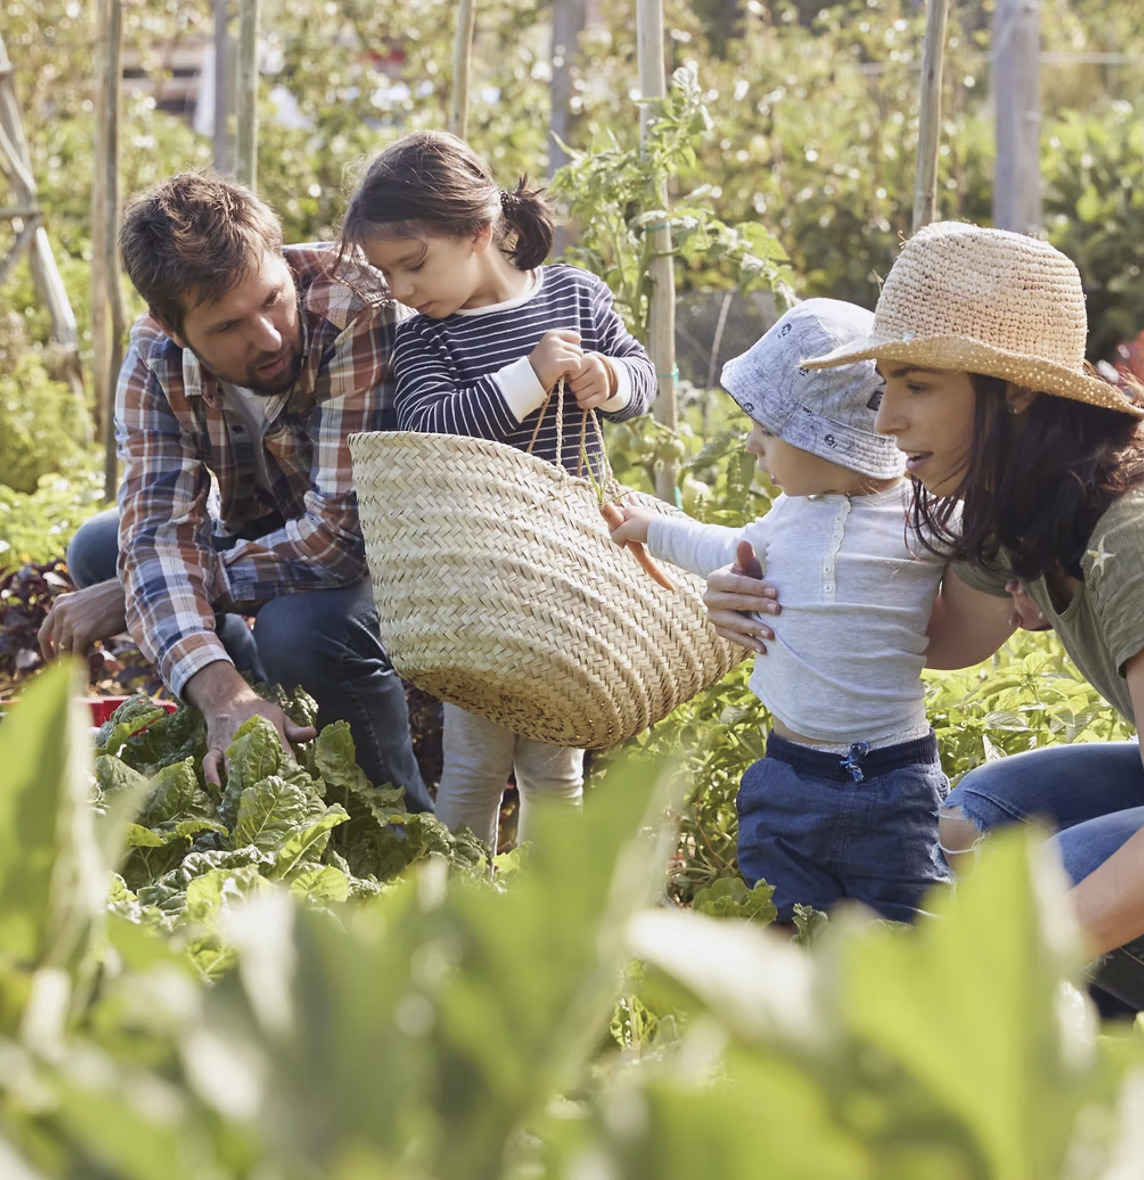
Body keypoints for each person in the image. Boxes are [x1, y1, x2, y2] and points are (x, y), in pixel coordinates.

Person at [716, 220, 1144, 1006]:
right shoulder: (1015, 513)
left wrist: (987, 972)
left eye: (917, 386)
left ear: (1016, 390)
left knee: (1035, 901)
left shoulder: (1130, 540)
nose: (884, 422)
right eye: (886, 387)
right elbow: (940, 640)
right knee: (977, 823)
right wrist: (773, 599)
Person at [39, 171, 433, 812]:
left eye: (272, 299)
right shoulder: (153, 360)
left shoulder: (353, 308)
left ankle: (402, 823)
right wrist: (221, 689)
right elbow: (155, 531)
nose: (270, 336)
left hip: (379, 552)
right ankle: (252, 729)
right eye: (228, 328)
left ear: (282, 263)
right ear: (172, 327)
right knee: (101, 547)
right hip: (274, 529)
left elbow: (337, 542)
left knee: (301, 629)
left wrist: (163, 586)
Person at [337, 129, 656, 852]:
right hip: (477, 585)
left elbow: (643, 380)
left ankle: (549, 916)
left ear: (479, 231)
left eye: (413, 265)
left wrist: (611, 381)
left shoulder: (575, 296)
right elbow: (429, 426)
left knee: (556, 763)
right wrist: (529, 376)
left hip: (568, 571)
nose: (402, 290)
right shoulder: (424, 340)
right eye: (387, 275)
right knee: (476, 762)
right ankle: (457, 917)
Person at [609, 298, 954, 923]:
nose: (751, 445)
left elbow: (997, 535)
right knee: (780, 922)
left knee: (910, 932)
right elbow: (719, 543)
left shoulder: (925, 518)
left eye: (768, 431)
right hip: (788, 772)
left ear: (829, 441)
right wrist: (651, 528)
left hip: (895, 781)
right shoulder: (785, 518)